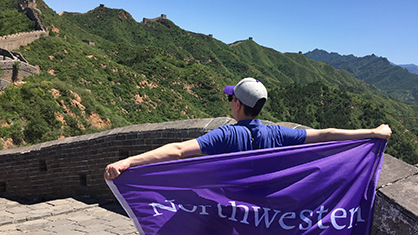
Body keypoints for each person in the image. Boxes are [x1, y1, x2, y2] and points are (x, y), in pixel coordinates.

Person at [104, 78, 392, 181]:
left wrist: (127, 161)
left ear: (238, 104)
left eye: (231, 98)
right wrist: (373, 132)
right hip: (265, 214)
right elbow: (326, 134)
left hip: (228, 210)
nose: (229, 102)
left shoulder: (227, 134)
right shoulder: (279, 133)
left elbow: (178, 151)